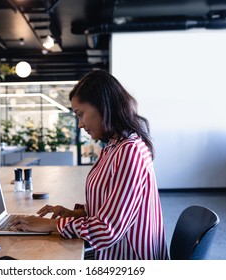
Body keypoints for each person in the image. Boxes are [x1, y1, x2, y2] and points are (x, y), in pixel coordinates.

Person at [13, 70, 169, 260]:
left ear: (103, 107)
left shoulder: (130, 151)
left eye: (81, 114)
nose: (80, 124)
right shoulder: (114, 146)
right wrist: (74, 213)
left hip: (126, 256)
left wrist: (50, 225)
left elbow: (108, 230)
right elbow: (112, 205)